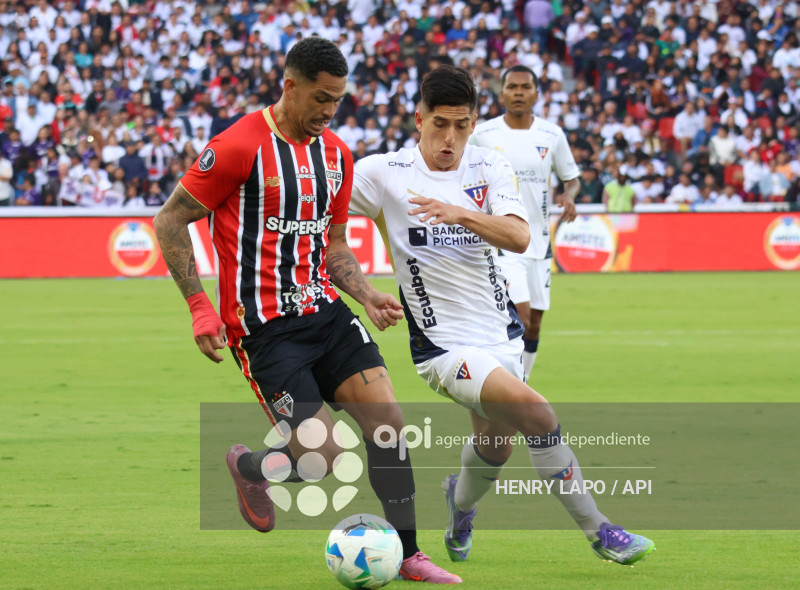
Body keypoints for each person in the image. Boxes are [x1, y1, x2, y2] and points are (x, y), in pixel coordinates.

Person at [153, 38, 460, 585]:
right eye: (320, 98)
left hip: (325, 312)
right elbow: (170, 221)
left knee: (388, 423)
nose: (327, 111)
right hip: (265, 330)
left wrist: (365, 294)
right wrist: (200, 308)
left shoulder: (336, 155)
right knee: (322, 458)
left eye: (337, 101)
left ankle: (411, 554)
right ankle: (251, 469)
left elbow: (335, 244)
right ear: (289, 86)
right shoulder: (237, 147)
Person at [350, 64, 655, 568]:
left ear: (474, 122)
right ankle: (601, 531)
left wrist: (461, 213)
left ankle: (459, 508)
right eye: (440, 124)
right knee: (538, 413)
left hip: (500, 337)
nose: (451, 138)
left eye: (462, 125)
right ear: (419, 118)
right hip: (443, 349)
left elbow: (520, 236)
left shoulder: (487, 165)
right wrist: (361, 290)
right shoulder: (384, 173)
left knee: (495, 446)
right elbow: (320, 207)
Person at [467, 65, 579, 380]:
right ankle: (510, 391)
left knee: (536, 324)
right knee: (522, 317)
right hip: (503, 241)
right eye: (512, 87)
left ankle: (522, 385)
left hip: (539, 243)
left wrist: (569, 195)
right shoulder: (483, 134)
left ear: (536, 93)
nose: (518, 92)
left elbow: (572, 179)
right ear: (501, 93)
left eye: (525, 87)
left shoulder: (552, 135)